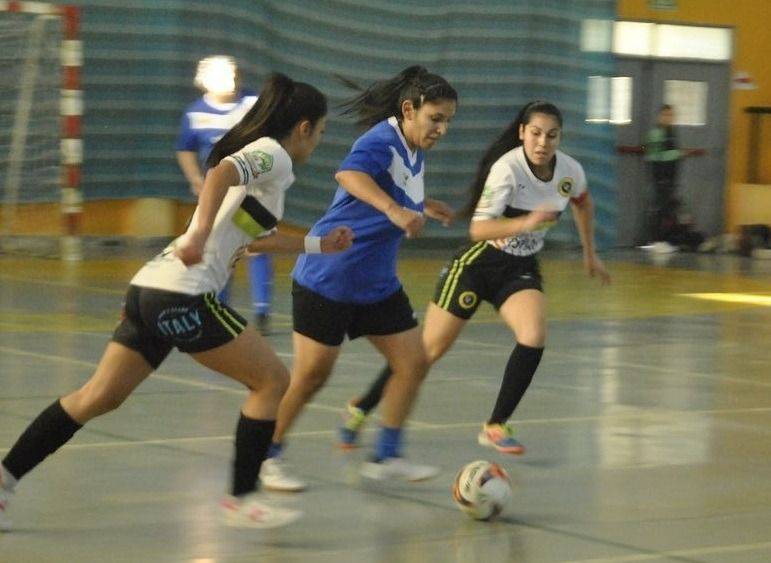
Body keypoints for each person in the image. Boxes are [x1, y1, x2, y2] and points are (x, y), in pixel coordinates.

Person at [0, 73, 353, 531]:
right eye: (321, 132)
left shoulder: (269, 173)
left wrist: (317, 246)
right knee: (271, 381)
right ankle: (242, 497)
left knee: (99, 396)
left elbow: (254, 239)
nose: (318, 143)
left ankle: (4, 479)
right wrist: (201, 234)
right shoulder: (276, 154)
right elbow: (220, 173)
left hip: (150, 287)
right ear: (304, 127)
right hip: (185, 293)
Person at [338, 101, 612, 456]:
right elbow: (479, 229)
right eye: (535, 133)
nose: (543, 142)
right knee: (424, 355)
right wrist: (525, 222)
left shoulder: (570, 171)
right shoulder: (508, 169)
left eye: (552, 135)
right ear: (522, 134)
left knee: (533, 336)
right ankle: (362, 406)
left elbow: (583, 204)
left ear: (560, 138)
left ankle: (496, 425)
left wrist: (591, 253)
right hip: (477, 266)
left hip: (521, 266)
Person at [257, 65, 458, 492]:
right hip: (330, 275)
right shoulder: (381, 140)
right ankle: (266, 453)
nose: (442, 129)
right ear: (409, 109)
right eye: (435, 118)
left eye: (447, 121)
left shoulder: (414, 148)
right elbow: (349, 175)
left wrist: (424, 206)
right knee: (311, 376)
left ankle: (386, 455)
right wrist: (395, 210)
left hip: (375, 283)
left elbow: (393, 194)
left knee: (412, 363)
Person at [176, 55, 274, 332]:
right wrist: (195, 177)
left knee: (257, 245)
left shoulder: (253, 104)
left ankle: (262, 311)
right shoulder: (195, 113)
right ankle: (220, 305)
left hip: (252, 190)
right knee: (220, 248)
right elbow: (185, 149)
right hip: (218, 195)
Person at [642, 104, 705, 254]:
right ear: (660, 116)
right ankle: (655, 241)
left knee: (668, 209)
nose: (669, 118)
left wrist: (677, 155)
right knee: (660, 209)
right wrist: (678, 154)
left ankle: (664, 240)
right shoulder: (656, 133)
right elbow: (652, 155)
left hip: (670, 176)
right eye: (666, 115)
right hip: (660, 175)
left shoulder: (671, 132)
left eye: (671, 115)